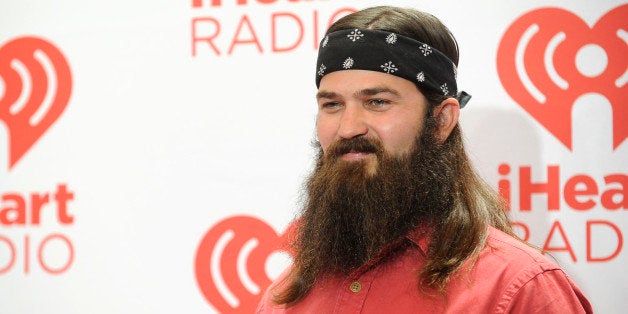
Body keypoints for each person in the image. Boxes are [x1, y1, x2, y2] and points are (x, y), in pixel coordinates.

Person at [257, 5, 592, 313]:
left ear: (441, 121)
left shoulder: (519, 286)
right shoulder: (286, 295)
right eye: (332, 105)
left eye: (377, 102)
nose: (348, 127)